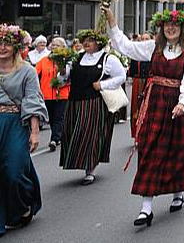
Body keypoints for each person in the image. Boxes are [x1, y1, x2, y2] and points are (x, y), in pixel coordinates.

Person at [104, 8, 184, 227]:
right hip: (156, 104)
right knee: (150, 151)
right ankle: (146, 208)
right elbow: (126, 47)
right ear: (161, 29)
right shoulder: (153, 48)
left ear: (181, 29)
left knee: (177, 151)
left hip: (179, 105)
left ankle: (178, 193)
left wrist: (182, 103)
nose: (170, 28)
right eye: (166, 26)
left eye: (175, 26)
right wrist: (112, 23)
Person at [60, 29, 126, 185]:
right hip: (74, 102)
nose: (86, 43)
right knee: (72, 133)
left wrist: (103, 84)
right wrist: (62, 71)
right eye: (84, 40)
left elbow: (121, 76)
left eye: (90, 40)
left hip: (94, 103)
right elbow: (63, 79)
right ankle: (80, 162)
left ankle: (90, 169)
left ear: (99, 43)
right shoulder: (76, 58)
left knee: (91, 134)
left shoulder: (108, 59)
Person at [0, 24, 47, 235]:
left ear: (16, 46)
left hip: (15, 123)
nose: (2, 47)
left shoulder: (26, 70)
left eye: (7, 43)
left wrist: (34, 131)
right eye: (0, 43)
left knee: (14, 171)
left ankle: (25, 202)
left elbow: (32, 101)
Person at [35, 36, 69, 151]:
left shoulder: (67, 60)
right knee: (51, 118)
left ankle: (54, 139)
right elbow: (34, 75)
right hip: (47, 94)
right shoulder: (44, 61)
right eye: (53, 44)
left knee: (59, 117)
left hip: (63, 94)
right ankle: (58, 136)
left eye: (57, 45)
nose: (54, 47)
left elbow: (71, 77)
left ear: (63, 47)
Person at [127, 33, 153, 138]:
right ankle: (137, 134)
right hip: (138, 82)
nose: (144, 40)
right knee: (136, 107)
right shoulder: (136, 53)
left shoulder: (154, 52)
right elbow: (131, 71)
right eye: (142, 39)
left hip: (150, 82)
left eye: (147, 39)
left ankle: (149, 134)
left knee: (149, 108)